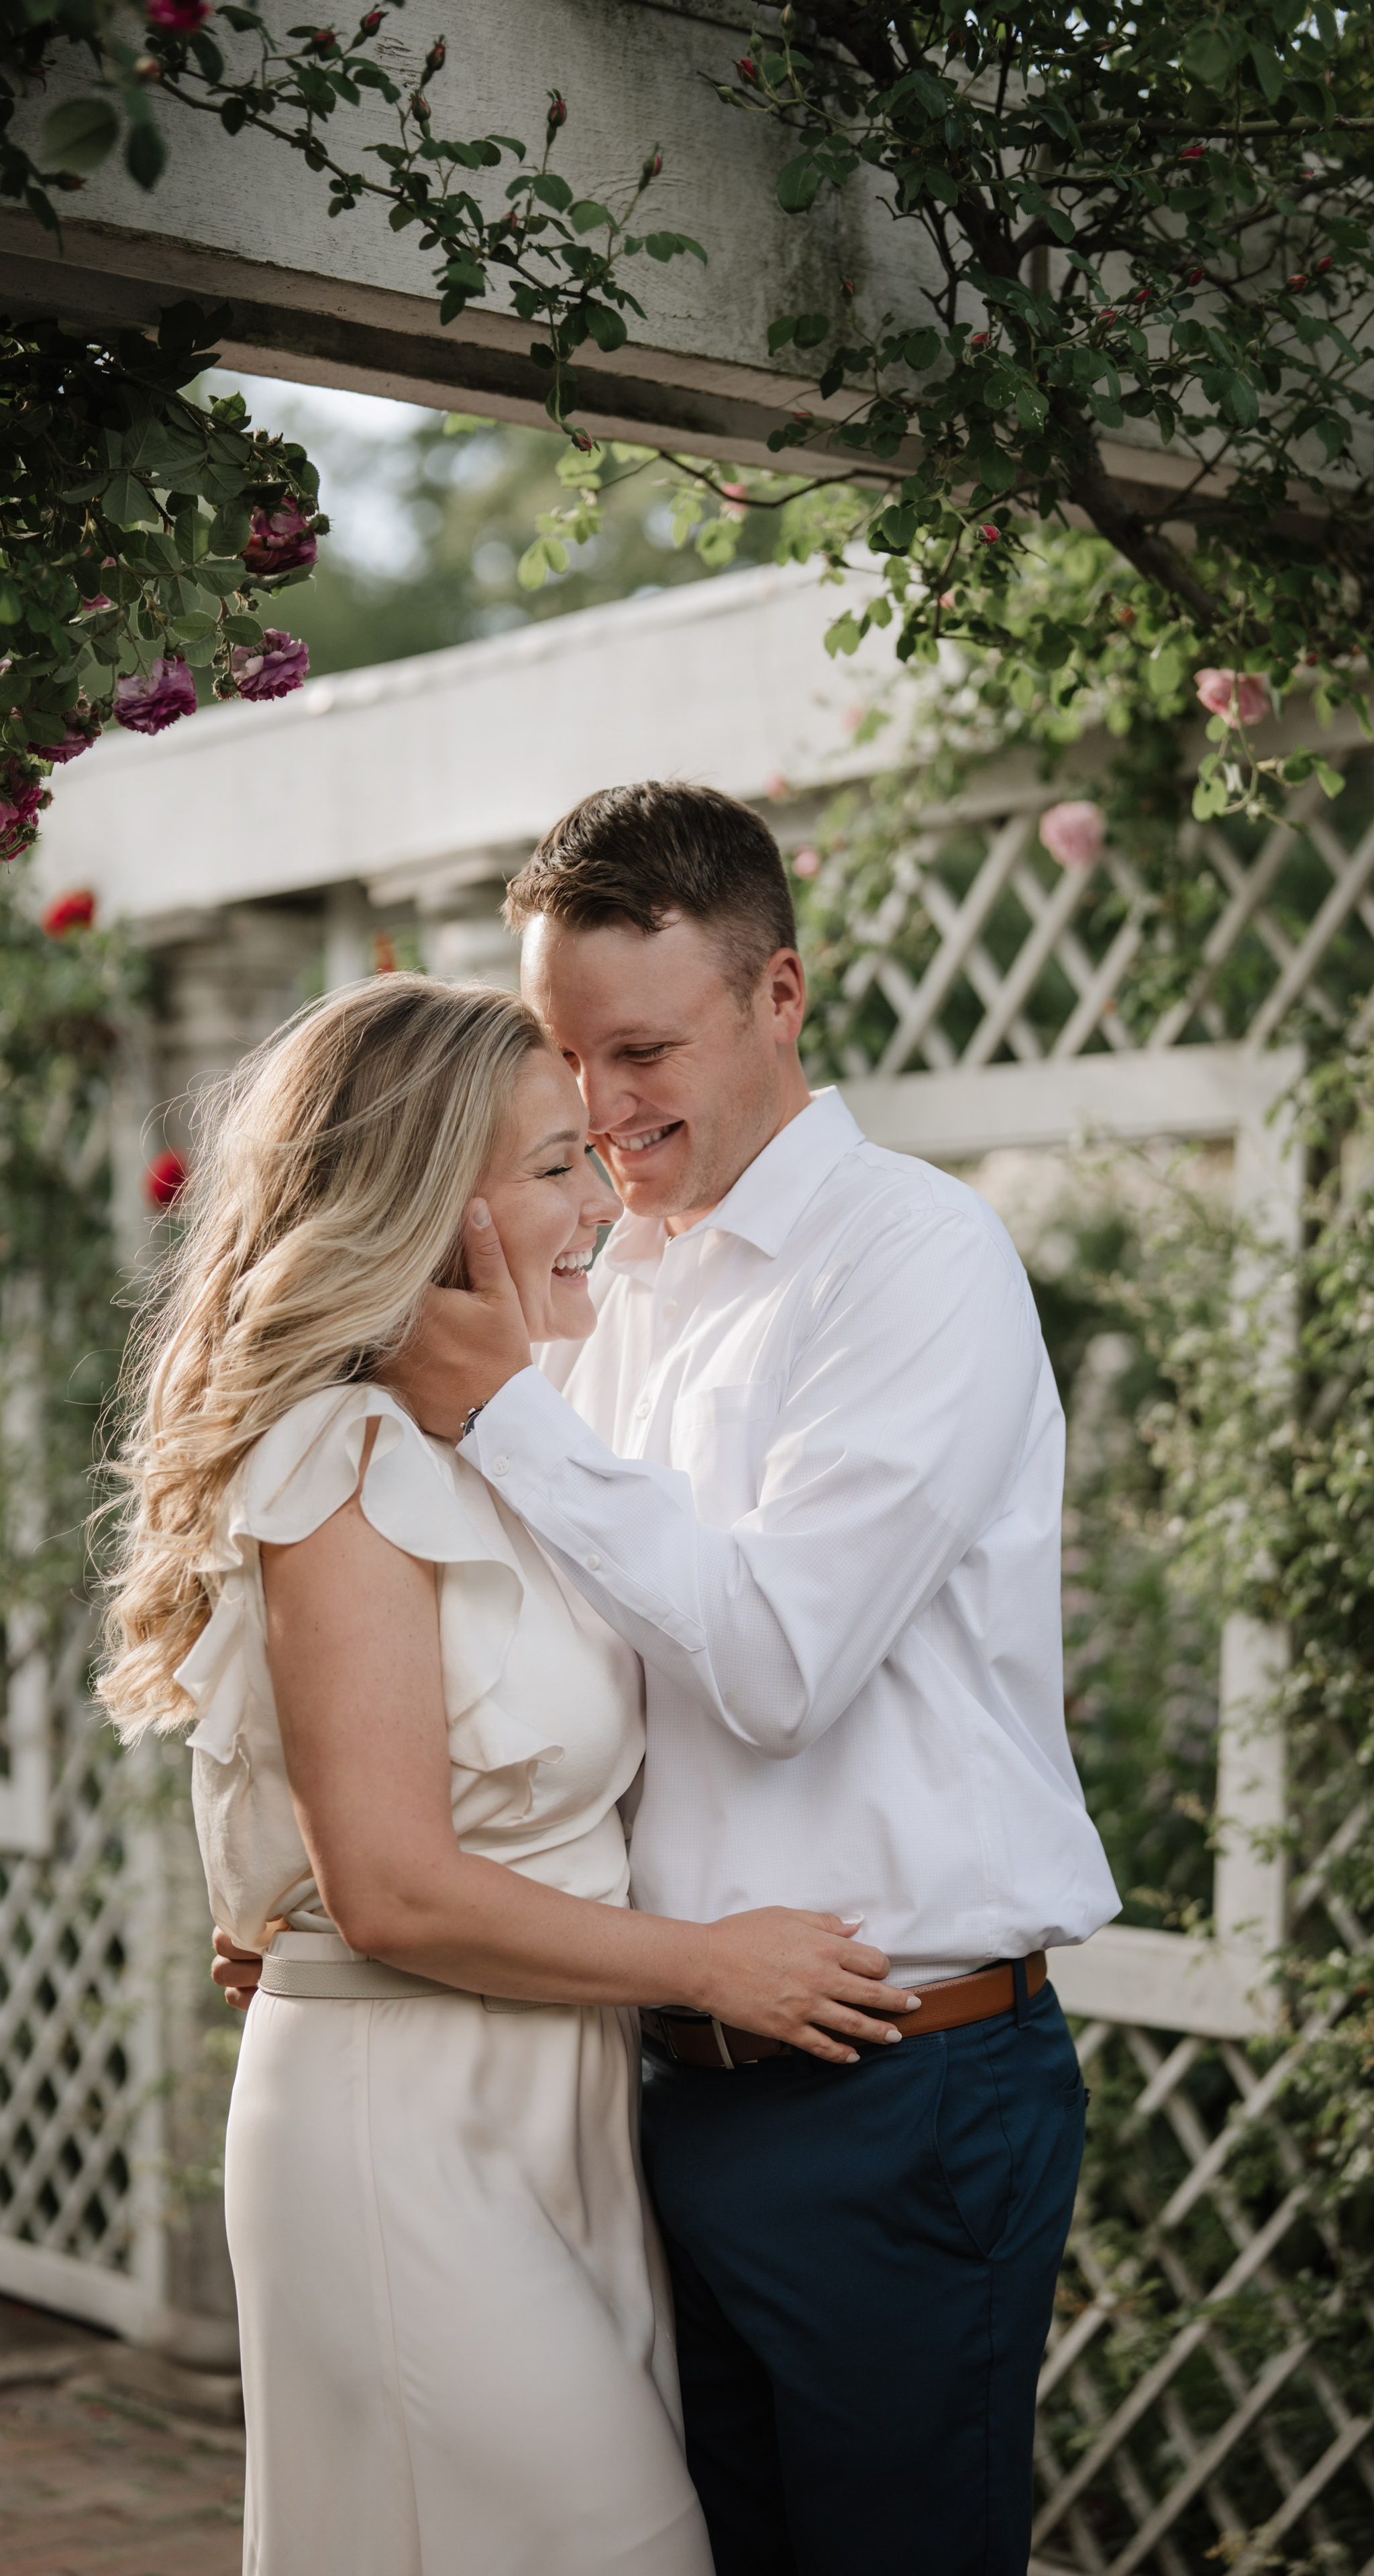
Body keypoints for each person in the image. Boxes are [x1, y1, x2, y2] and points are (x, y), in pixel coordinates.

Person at [367, 782, 1122, 2576]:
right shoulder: (600, 1288)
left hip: (898, 2091)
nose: (601, 1109)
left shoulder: (916, 1263)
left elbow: (781, 1665)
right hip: (659, 2081)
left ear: (781, 998)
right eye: (562, 1056)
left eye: (642, 1049)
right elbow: (546, 1668)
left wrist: (502, 1416)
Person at [103, 975, 927, 2576]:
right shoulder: (336, 1461)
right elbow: (398, 1885)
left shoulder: (500, 1443)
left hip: (551, 2106)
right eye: (553, 1161)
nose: (599, 1190)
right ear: (430, 1200)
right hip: (401, 2118)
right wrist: (710, 1965)